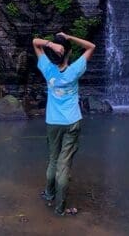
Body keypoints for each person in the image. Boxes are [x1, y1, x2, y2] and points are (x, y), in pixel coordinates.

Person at [32, 31, 96, 216]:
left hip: (53, 122)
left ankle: (49, 194)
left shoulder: (46, 68)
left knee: (53, 159)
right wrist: (69, 37)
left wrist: (50, 45)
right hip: (72, 122)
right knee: (64, 165)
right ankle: (60, 208)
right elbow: (91, 46)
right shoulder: (74, 71)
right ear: (68, 53)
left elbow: (35, 42)